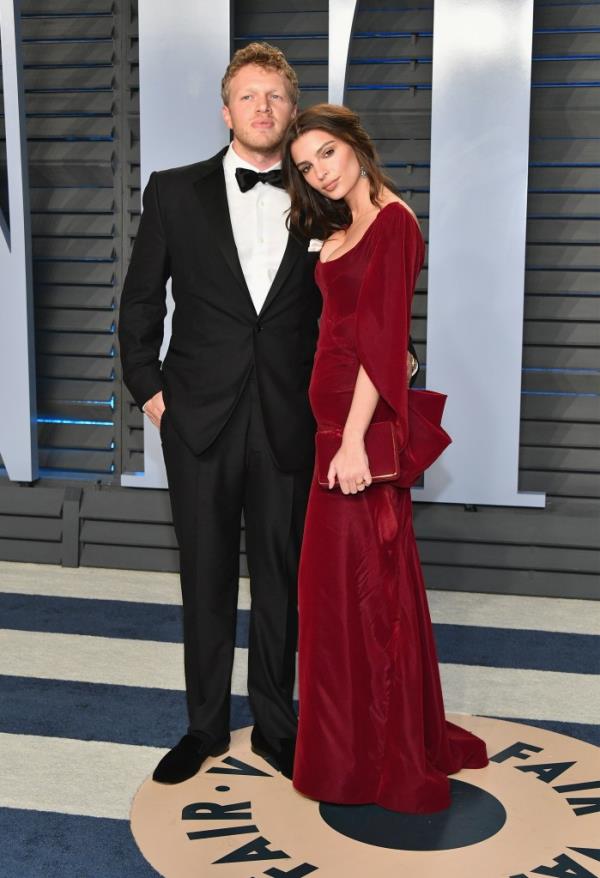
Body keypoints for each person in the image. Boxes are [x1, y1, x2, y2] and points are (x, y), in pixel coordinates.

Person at [119, 43, 419, 785]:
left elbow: (359, 299)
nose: (262, 108)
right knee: (206, 576)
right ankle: (204, 727)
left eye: (276, 98)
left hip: (293, 421)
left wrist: (400, 357)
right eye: (248, 96)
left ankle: (277, 727)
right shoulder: (172, 191)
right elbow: (137, 306)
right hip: (198, 421)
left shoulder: (323, 196)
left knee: (285, 582)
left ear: (292, 114)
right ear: (227, 112)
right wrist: (152, 396)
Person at [282, 104, 488, 812]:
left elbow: (380, 341)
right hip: (334, 431)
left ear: (357, 147)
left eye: (327, 155)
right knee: (335, 598)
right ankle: (351, 752)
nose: (320, 173)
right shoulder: (341, 226)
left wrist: (350, 440)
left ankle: (376, 758)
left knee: (369, 600)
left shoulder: (395, 221)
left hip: (356, 439)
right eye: (306, 167)